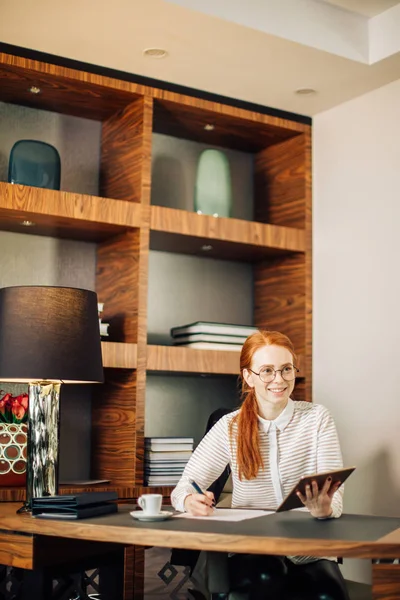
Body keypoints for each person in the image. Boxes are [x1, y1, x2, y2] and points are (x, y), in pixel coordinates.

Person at [171, 330, 350, 600]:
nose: (278, 380)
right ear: (248, 377)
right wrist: (189, 500)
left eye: (286, 369)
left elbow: (335, 503)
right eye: (267, 370)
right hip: (251, 548)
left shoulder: (317, 419)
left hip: (308, 550)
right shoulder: (229, 426)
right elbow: (182, 488)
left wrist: (323, 508)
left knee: (329, 595)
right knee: (262, 582)